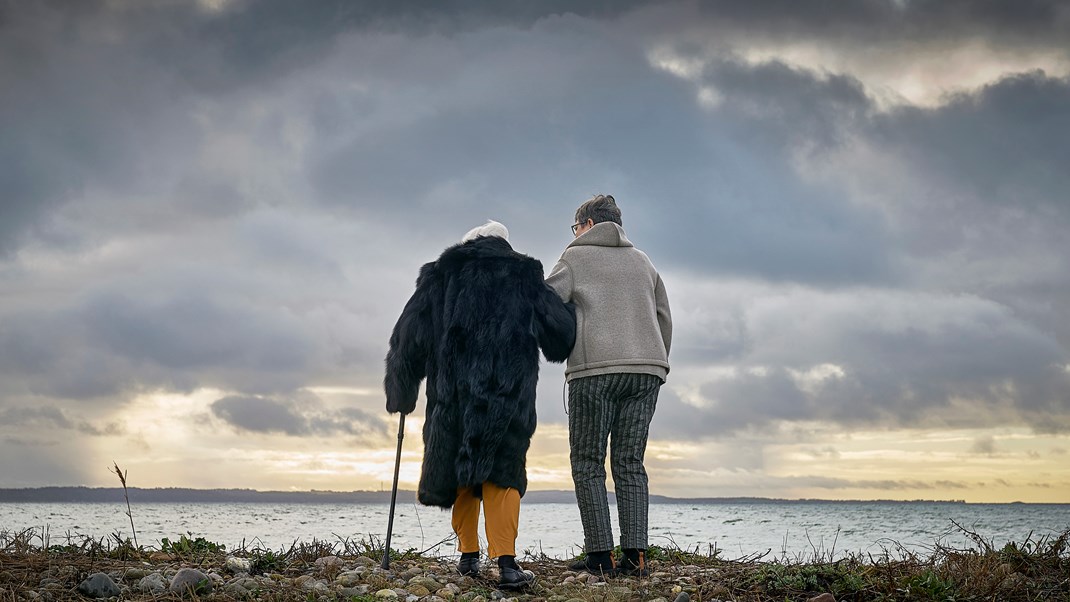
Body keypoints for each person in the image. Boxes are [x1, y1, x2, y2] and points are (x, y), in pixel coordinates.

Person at [384, 220, 576, 590]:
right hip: (507, 397)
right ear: (504, 244)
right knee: (503, 473)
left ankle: (468, 556)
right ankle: (506, 564)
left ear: (468, 243)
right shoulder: (525, 273)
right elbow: (560, 338)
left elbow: (407, 337)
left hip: (450, 396)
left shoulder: (439, 276)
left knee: (459, 468)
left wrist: (401, 393)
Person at [546, 195, 672, 577]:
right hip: (647, 368)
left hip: (595, 370)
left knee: (587, 462)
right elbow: (663, 316)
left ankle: (601, 557)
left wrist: (563, 344)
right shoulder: (643, 261)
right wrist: (656, 360)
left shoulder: (574, 258)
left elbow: (544, 303)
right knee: (630, 463)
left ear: (586, 224)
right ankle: (635, 558)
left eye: (575, 226)